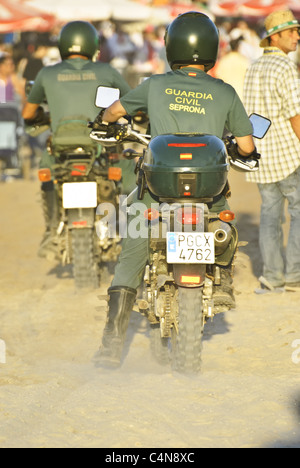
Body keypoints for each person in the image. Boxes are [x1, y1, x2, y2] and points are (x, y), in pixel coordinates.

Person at [92, 11, 257, 368]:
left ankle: (110, 349)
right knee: (224, 227)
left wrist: (106, 121)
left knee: (129, 260)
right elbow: (245, 145)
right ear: (212, 48)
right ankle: (222, 280)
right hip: (208, 197)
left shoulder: (154, 85)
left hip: (156, 196)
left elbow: (115, 111)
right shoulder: (225, 92)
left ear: (172, 46)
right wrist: (239, 146)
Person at [22, 21, 131, 259]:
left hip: (61, 150)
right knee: (128, 171)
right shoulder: (107, 71)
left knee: (46, 175)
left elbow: (28, 114)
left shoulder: (47, 73)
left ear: (62, 46)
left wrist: (46, 115)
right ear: (93, 45)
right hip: (100, 147)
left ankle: (51, 229)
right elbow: (132, 103)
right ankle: (126, 231)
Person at [243, 9, 300, 292]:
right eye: (291, 32)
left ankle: (273, 276)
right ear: (275, 37)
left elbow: (249, 115)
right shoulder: (286, 67)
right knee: (298, 213)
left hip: (263, 156)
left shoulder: (253, 67)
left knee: (269, 216)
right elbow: (295, 115)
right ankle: (294, 275)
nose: (297, 36)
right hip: (288, 154)